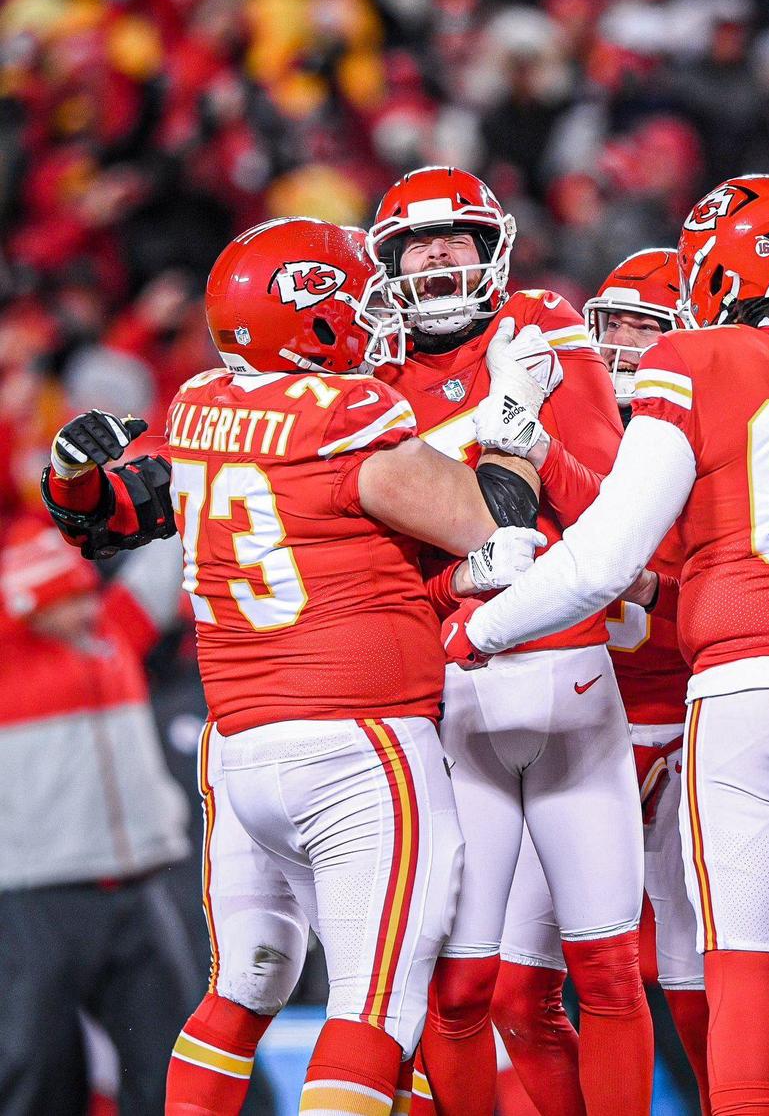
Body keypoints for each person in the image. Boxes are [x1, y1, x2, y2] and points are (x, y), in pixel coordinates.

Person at [442, 174, 769, 1114]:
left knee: (747, 976)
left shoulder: (700, 359)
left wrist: (478, 629)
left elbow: (603, 559)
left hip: (754, 694)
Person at [42, 216, 544, 1116]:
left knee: (242, 988)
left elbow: (106, 519)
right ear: (310, 317)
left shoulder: (200, 407)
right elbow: (491, 517)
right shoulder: (347, 415)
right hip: (360, 749)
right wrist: (514, 416)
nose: (370, 313)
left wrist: (72, 480)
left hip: (239, 753)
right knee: (375, 1007)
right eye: (351, 297)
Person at [364, 166, 655, 1115]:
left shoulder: (537, 324)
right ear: (388, 262)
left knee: (609, 974)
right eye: (413, 242)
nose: (435, 253)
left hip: (571, 675)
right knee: (461, 991)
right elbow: (390, 554)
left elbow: (612, 516)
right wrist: (487, 431)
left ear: (492, 247)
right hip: (451, 695)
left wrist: (523, 440)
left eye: (452, 236)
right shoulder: (366, 379)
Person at [483, 249, 711, 1113]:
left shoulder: (707, 447)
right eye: (608, 327)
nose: (618, 349)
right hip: (580, 730)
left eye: (644, 330)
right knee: (513, 992)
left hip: (680, 732)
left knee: (696, 993)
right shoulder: (558, 428)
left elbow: (703, 603)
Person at [0, 520, 195, 1116]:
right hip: (36, 898)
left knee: (172, 1065)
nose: (87, 605)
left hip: (138, 889)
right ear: (30, 605)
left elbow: (164, 568)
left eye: (87, 591)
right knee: (37, 1073)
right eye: (68, 597)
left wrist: (189, 479)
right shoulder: (7, 668)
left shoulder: (114, 636)